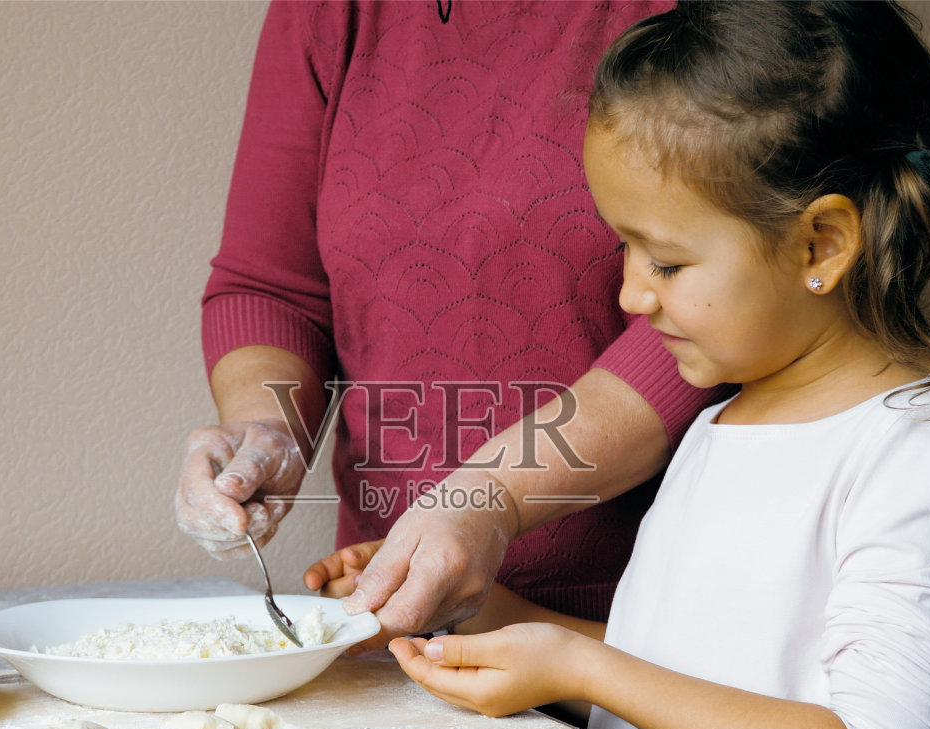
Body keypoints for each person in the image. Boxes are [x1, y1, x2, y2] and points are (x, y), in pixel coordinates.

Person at [308, 0, 930, 729]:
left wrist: (576, 668)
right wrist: (483, 615)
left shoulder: (915, 451)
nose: (632, 298)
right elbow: (686, 678)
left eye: (668, 263)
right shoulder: (726, 414)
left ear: (822, 244)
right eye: (626, 252)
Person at [174, 0, 732, 650]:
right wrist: (260, 431)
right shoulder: (330, 11)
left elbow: (733, 294)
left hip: (639, 635)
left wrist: (496, 495)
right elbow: (274, 282)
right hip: (391, 617)